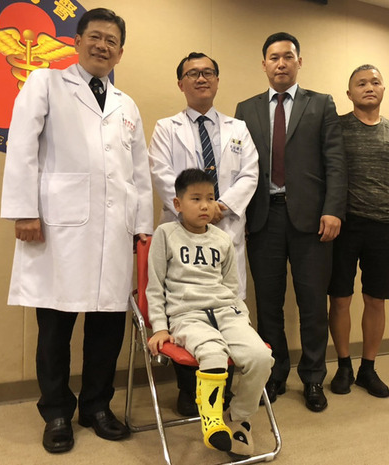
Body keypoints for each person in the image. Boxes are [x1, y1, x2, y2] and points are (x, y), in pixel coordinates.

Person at [0, 8, 153, 454]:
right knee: (55, 327)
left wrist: (142, 226)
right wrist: (24, 211)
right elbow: (22, 147)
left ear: (120, 52)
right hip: (58, 229)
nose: (103, 46)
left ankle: (96, 406)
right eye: (95, 37)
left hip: (115, 231)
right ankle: (56, 413)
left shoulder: (127, 104)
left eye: (112, 41)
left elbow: (138, 172)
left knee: (107, 327)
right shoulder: (45, 83)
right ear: (77, 41)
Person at [234, 32, 346, 412]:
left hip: (313, 220)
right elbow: (237, 165)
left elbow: (336, 162)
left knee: (313, 302)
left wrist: (333, 209)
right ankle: (275, 372)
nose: (280, 63)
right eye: (273, 57)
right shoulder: (246, 109)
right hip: (262, 217)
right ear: (263, 64)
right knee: (268, 304)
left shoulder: (322, 104)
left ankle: (313, 377)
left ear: (299, 61)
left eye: (287, 56)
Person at [148, 52, 258, 416]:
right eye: (193, 73)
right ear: (181, 83)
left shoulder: (238, 128)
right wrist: (192, 208)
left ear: (217, 81)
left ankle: (224, 388)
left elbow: (250, 173)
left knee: (226, 304)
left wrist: (219, 206)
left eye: (208, 72)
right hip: (181, 230)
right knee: (187, 309)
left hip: (225, 227)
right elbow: (161, 173)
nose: (201, 78)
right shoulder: (166, 128)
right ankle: (188, 389)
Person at [146, 168, 273, 458]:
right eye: (196, 199)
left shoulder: (222, 239)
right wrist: (159, 326)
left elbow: (231, 287)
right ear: (177, 204)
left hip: (227, 313)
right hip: (187, 316)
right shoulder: (165, 235)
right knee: (213, 352)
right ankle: (212, 421)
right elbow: (155, 287)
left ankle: (238, 418)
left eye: (210, 198)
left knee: (260, 356)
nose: (205, 205)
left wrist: (241, 320)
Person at [328, 64, 389, 398]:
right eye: (361, 83)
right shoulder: (336, 127)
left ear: (383, 89)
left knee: (376, 299)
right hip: (344, 225)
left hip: (383, 226)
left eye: (375, 82)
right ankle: (343, 366)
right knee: (340, 298)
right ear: (349, 93)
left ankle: (368, 368)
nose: (369, 87)